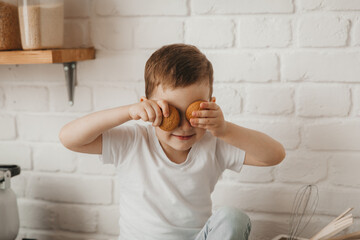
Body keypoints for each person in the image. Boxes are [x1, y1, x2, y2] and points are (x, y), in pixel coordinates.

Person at [59, 43, 286, 240]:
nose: (184, 126)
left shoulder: (213, 143)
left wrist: (225, 129)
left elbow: (274, 155)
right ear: (147, 105)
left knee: (233, 218)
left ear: (211, 104)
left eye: (193, 113)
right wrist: (128, 112)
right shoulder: (133, 141)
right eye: (171, 112)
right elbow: (69, 138)